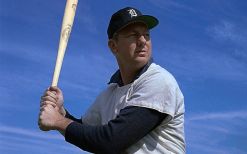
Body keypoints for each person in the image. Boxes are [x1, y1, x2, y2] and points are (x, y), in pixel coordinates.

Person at [38, 7, 185, 154]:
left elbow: (111, 141)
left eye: (146, 35)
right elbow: (84, 130)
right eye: (134, 35)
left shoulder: (159, 81)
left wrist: (57, 121)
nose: (142, 41)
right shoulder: (109, 93)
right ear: (113, 46)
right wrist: (61, 112)